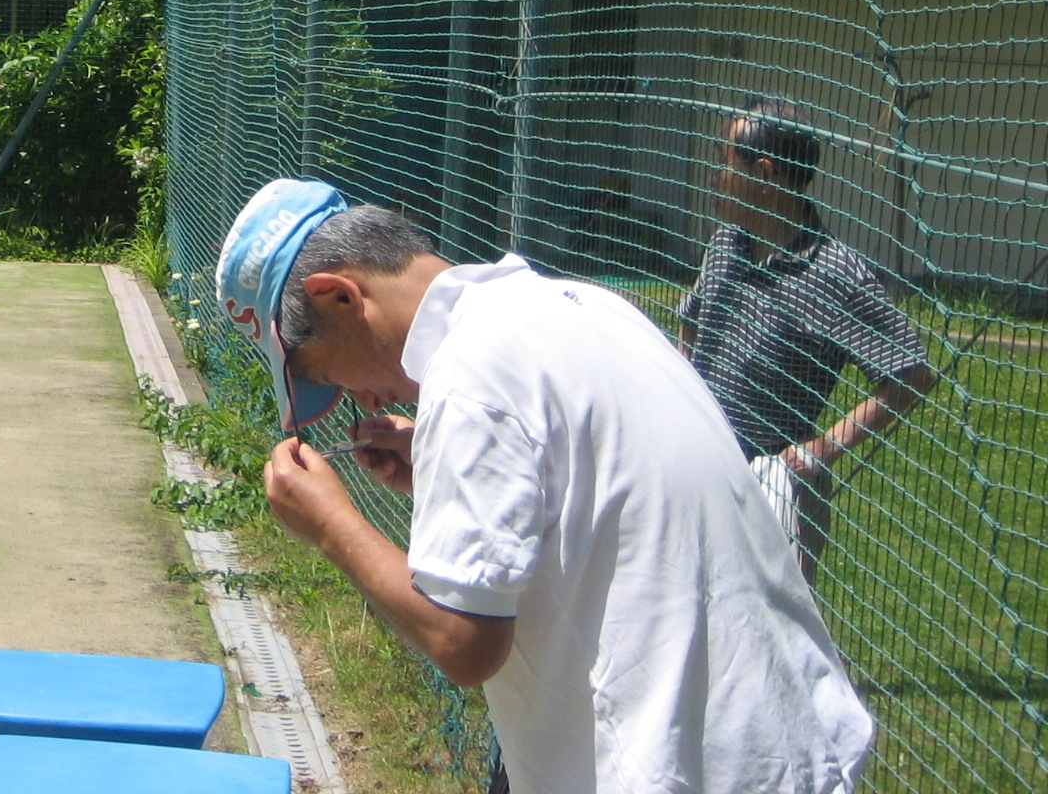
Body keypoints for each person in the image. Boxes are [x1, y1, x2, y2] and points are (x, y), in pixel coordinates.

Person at [223, 179, 874, 794]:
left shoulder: (470, 376)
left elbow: (463, 642)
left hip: (670, 770)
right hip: (781, 745)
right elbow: (595, 483)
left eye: (320, 372)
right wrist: (443, 465)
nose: (354, 398)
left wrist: (332, 525)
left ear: (340, 296)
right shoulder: (578, 305)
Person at [681, 97, 937, 580]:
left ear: (765, 173)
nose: (714, 177)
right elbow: (691, 320)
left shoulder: (834, 274)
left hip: (769, 501)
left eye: (725, 161)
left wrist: (822, 448)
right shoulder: (725, 244)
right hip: (693, 474)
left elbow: (913, 373)